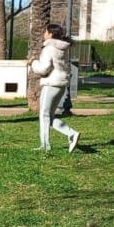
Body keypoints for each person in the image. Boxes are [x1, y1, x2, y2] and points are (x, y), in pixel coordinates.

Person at [28, 23, 80, 153]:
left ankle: (45, 146)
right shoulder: (63, 48)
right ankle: (71, 134)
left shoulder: (49, 49)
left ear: (51, 34)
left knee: (44, 115)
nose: (44, 34)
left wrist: (33, 63)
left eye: (45, 32)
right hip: (61, 84)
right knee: (49, 116)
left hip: (51, 83)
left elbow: (44, 68)